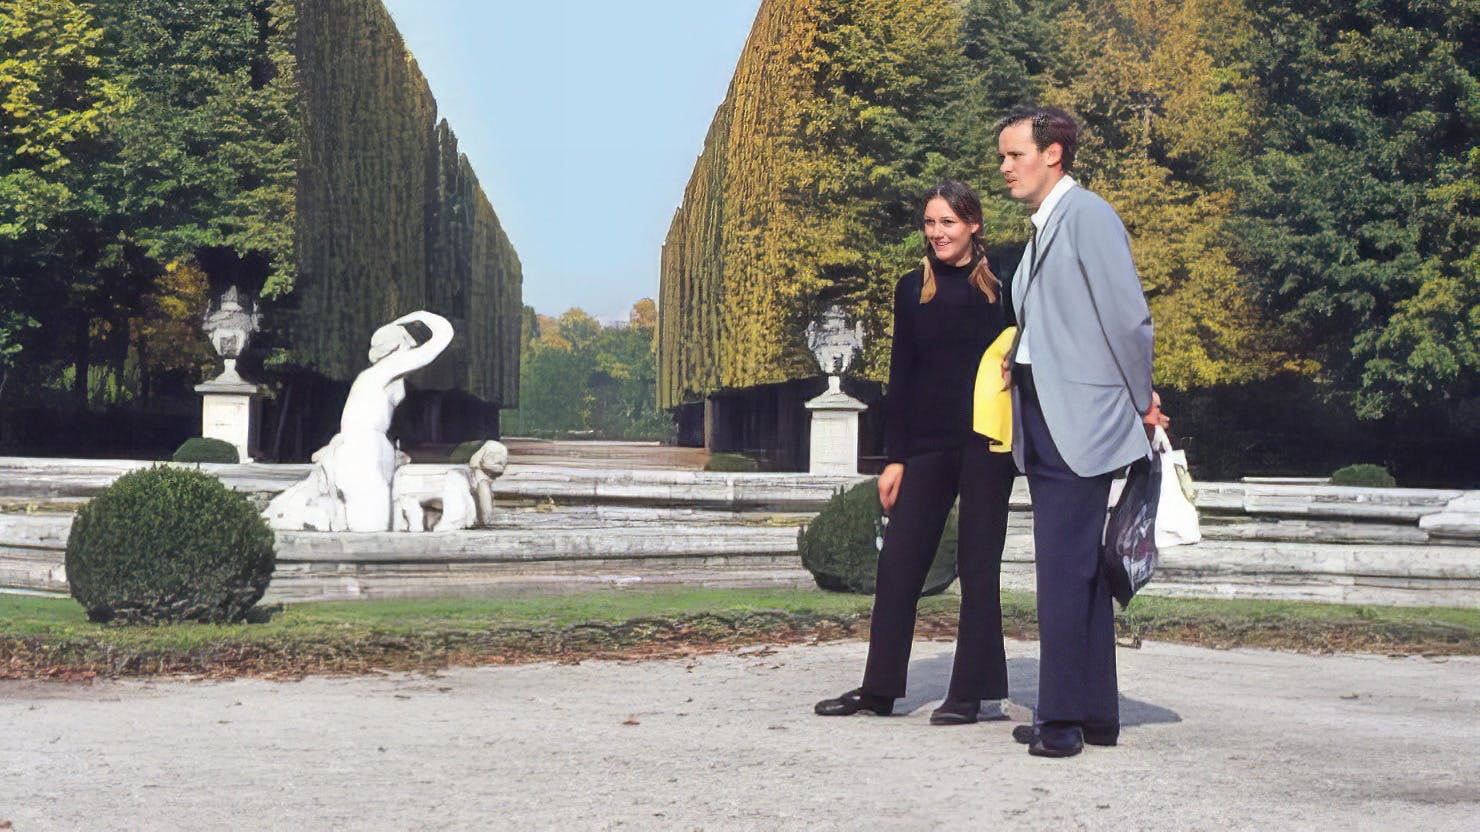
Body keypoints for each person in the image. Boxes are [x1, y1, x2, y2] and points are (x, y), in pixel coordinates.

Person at [995, 106, 1167, 757]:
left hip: (1080, 420)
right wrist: (1020, 352)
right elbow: (1060, 321)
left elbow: (1129, 320)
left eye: (1015, 155)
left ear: (1053, 154)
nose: (1005, 167)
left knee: (1062, 571)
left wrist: (1142, 399)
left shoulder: (1088, 215)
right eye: (1003, 156)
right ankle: (1095, 714)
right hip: (1046, 414)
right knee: (1080, 568)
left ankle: (1062, 720)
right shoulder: (1047, 225)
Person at [814, 181, 1017, 725]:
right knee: (898, 567)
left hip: (986, 444)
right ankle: (878, 690)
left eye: (948, 222)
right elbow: (900, 375)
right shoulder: (912, 289)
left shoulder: (1003, 287)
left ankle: (970, 694)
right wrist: (894, 458)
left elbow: (1033, 340)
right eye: (930, 223)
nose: (937, 233)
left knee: (978, 568)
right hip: (925, 447)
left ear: (973, 224)